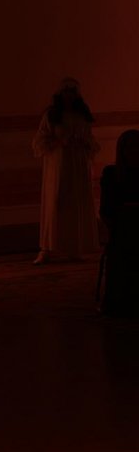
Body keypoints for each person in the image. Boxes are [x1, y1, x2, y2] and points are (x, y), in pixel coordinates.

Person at [31, 78, 100, 264]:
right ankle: (47, 248)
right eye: (66, 92)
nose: (69, 96)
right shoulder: (52, 116)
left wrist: (84, 143)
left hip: (78, 165)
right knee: (55, 202)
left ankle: (74, 247)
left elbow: (90, 139)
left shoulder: (81, 115)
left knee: (75, 203)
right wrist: (60, 142)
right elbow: (40, 140)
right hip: (58, 165)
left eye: (72, 92)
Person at [99, 129, 139, 316]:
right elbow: (106, 209)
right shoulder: (111, 174)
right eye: (130, 147)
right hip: (122, 230)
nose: (134, 151)